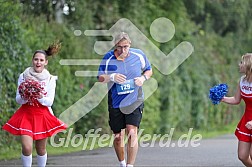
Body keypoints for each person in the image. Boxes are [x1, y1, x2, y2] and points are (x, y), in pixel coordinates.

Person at [2, 42, 67, 167]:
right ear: (32, 60)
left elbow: (50, 101)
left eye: (41, 60)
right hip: (26, 113)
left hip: (42, 114)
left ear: (45, 62)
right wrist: (26, 96)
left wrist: (39, 96)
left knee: (40, 149)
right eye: (36, 59)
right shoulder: (23, 76)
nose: (38, 62)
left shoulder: (50, 79)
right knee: (27, 147)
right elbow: (18, 99)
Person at [97, 32, 152, 167]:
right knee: (118, 137)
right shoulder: (108, 58)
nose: (123, 50)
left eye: (126, 46)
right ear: (115, 46)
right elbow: (99, 77)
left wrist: (142, 78)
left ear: (130, 45)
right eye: (120, 47)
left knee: (132, 131)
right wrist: (111, 77)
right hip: (116, 102)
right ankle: (122, 163)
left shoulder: (138, 55)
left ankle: (130, 165)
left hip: (135, 99)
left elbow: (149, 70)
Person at [221, 53, 252, 167]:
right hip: (247, 120)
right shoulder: (242, 81)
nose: (239, 65)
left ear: (248, 65)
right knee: (242, 156)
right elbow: (236, 99)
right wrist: (222, 98)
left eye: (242, 62)